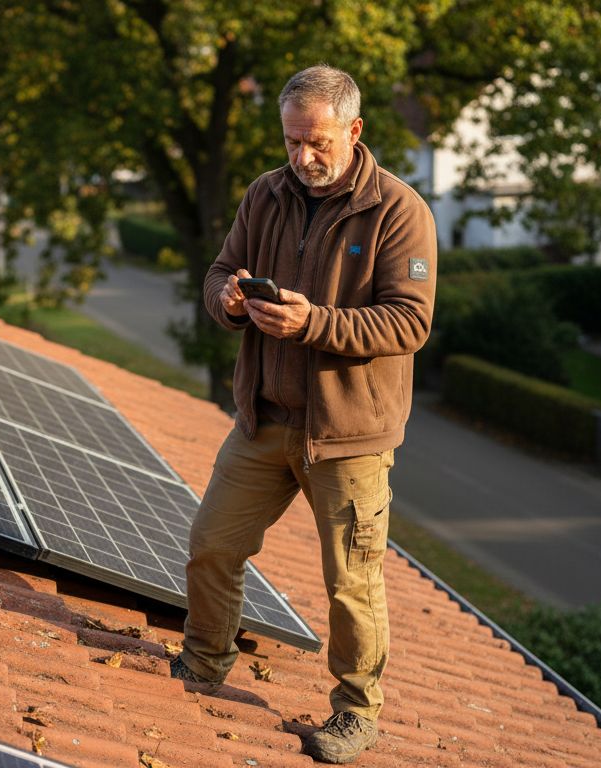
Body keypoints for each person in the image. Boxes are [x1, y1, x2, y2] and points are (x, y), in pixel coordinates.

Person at [169, 64, 437, 765]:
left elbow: (408, 324)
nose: (302, 157)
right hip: (264, 422)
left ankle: (355, 712)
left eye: (316, 142)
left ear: (354, 130)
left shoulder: (398, 210)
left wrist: (312, 323)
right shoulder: (266, 195)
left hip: (347, 438)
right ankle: (203, 662)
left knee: (352, 583)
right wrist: (227, 298)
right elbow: (218, 271)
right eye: (292, 142)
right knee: (212, 546)